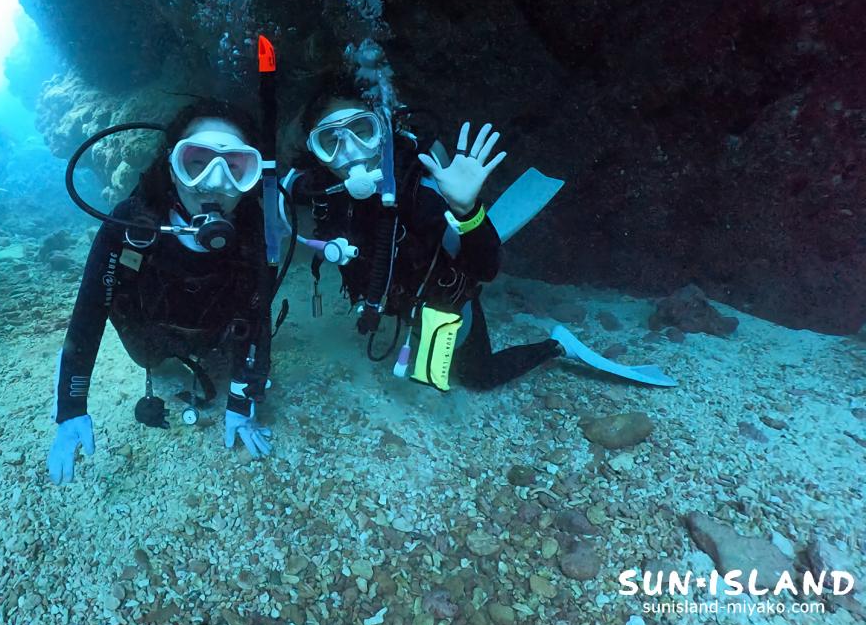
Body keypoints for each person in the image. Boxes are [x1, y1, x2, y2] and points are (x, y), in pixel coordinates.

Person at [287, 78, 671, 392]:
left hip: (444, 298)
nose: (350, 151)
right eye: (330, 141)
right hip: (395, 300)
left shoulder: (421, 190)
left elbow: (484, 269)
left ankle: (557, 345)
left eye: (361, 130)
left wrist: (466, 210)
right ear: (315, 151)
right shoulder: (324, 196)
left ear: (383, 128)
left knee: (477, 377)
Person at [47, 100, 274, 485]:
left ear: (253, 176)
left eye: (234, 167)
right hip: (149, 337)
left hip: (215, 334)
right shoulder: (129, 224)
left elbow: (258, 315)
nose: (215, 182)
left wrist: (241, 398)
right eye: (197, 162)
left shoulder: (253, 227)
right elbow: (88, 314)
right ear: (172, 166)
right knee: (148, 357)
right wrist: (71, 408)